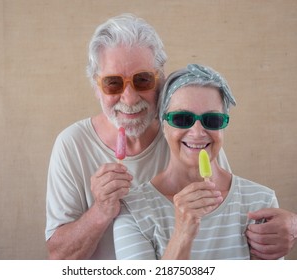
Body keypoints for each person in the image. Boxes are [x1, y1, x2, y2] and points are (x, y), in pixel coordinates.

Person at [45, 14, 297, 260]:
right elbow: (58, 256)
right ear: (96, 86)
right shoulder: (72, 145)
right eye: (113, 83)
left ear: (161, 81)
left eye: (143, 80)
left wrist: (292, 225)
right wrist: (101, 211)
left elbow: (228, 215)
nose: (130, 97)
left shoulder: (193, 139)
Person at [114, 63, 281, 259]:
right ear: (163, 124)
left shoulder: (261, 202)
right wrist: (183, 234)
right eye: (182, 118)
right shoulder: (133, 209)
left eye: (212, 119)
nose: (198, 132)